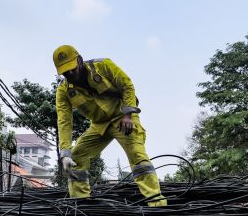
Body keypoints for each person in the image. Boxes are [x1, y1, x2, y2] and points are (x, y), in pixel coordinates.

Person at [53, 45, 167, 206]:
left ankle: (157, 205)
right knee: (76, 156)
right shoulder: (64, 91)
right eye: (65, 72)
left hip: (123, 118)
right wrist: (65, 153)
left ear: (79, 61)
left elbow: (127, 85)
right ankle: (80, 206)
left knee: (137, 155)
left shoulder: (103, 66)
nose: (70, 74)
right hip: (99, 125)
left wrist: (128, 115)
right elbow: (64, 121)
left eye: (72, 69)